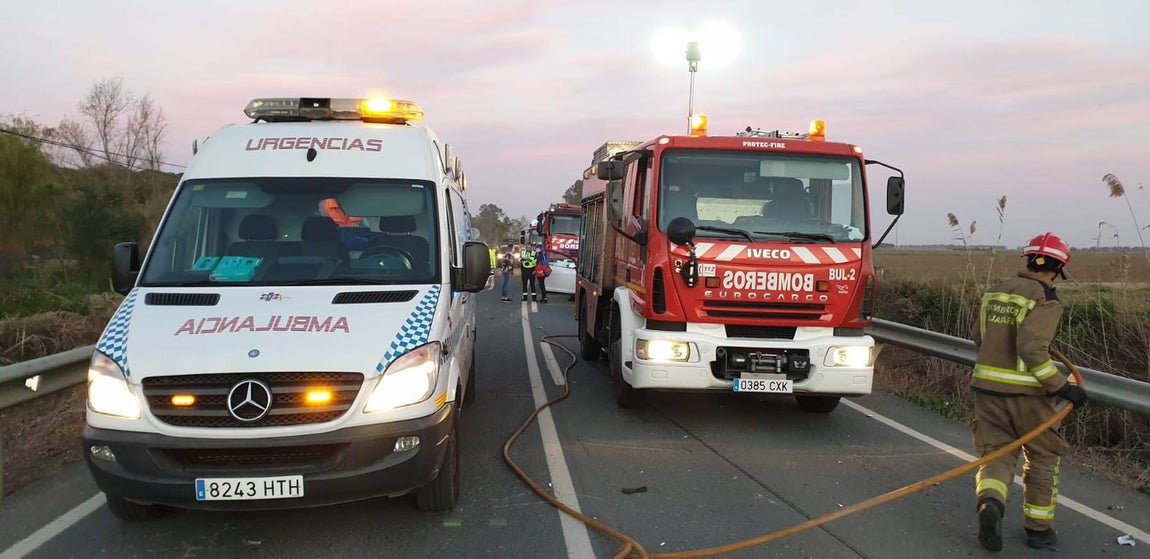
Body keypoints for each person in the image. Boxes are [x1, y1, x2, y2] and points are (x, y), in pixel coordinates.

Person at [971, 232, 1088, 552]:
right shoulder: (1046, 299)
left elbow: (979, 340)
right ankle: (1038, 530)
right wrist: (1061, 387)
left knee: (997, 453)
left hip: (987, 390)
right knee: (1043, 457)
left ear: (1029, 260)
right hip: (1028, 398)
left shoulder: (996, 291)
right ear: (1058, 267)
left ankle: (990, 504)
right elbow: (1031, 348)